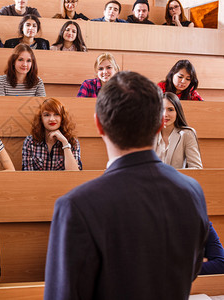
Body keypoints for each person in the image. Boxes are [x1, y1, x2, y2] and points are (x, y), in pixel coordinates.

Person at [44, 71, 209, 300]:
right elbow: (191, 270)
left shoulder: (75, 206)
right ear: (160, 122)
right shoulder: (192, 191)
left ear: (98, 125)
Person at [22, 98, 82, 171]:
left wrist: (65, 143)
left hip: (64, 182)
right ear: (41, 119)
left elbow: (75, 175)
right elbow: (27, 175)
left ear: (62, 118)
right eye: (47, 115)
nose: (52, 119)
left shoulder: (72, 141)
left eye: (56, 114)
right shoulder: (30, 142)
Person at [154, 92, 202, 169]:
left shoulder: (187, 134)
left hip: (176, 180)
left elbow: (196, 168)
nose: (165, 114)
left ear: (177, 112)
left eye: (170, 109)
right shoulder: (148, 134)